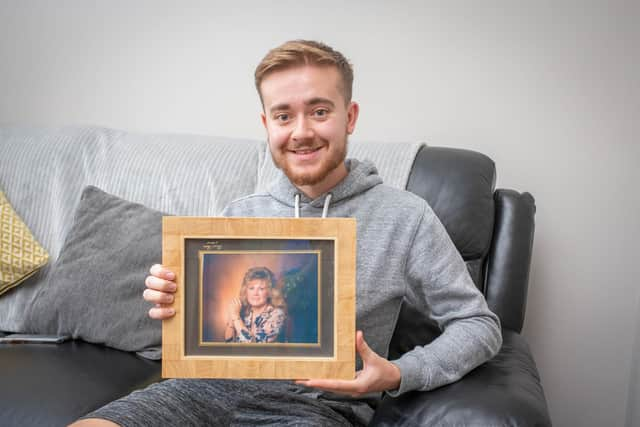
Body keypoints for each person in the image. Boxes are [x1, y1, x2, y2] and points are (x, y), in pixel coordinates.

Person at [73, 39, 502, 426]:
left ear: (349, 117)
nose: (301, 131)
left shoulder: (405, 217)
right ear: (267, 124)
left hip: (317, 407)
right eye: (284, 115)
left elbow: (479, 325)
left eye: (319, 111)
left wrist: (398, 373)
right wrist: (173, 303)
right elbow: (209, 327)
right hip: (201, 391)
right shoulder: (237, 216)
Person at [224, 266, 286, 343]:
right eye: (251, 288)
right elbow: (229, 342)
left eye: (261, 289)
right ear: (246, 291)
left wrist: (236, 317)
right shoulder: (243, 311)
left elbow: (252, 345)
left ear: (269, 292)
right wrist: (232, 317)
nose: (255, 293)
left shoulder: (277, 315)